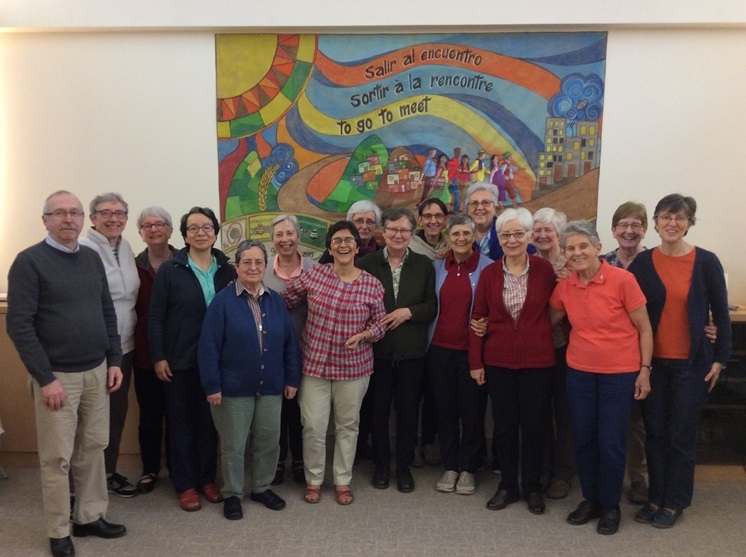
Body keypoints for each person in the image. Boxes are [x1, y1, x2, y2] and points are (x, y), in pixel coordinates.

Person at [7, 190, 126, 557]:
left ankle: (89, 516)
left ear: (83, 220)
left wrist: (115, 360)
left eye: (74, 212)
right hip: (57, 378)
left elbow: (107, 312)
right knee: (56, 458)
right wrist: (46, 378)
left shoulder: (91, 258)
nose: (69, 219)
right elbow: (19, 326)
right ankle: (59, 530)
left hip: (97, 371)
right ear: (45, 219)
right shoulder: (29, 262)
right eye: (59, 213)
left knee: (93, 449)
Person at [628, 194, 731, 529]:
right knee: (655, 434)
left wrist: (720, 359)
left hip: (692, 365)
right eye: (665, 216)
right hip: (654, 365)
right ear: (655, 222)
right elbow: (635, 314)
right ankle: (656, 497)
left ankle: (675, 501)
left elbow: (722, 314)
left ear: (689, 223)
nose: (672, 223)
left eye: (680, 218)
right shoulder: (643, 265)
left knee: (681, 436)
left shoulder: (706, 262)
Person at [549, 220, 653, 535]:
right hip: (579, 372)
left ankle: (610, 505)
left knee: (610, 441)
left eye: (583, 246)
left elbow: (645, 328)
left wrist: (645, 370)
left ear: (597, 248)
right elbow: (549, 319)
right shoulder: (566, 285)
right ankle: (591, 499)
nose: (577, 252)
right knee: (584, 438)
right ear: (564, 255)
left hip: (619, 375)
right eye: (570, 248)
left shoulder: (623, 280)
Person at [282, 221, 387, 505]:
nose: (343, 245)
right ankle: (314, 480)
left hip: (354, 369)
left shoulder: (371, 284)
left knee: (347, 426)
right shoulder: (315, 275)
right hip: (314, 366)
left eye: (349, 240)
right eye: (337, 240)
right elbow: (285, 300)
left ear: (356, 246)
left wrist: (365, 335)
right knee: (314, 426)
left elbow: (380, 325)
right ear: (329, 247)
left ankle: (343, 480)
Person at [199, 240, 301, 520]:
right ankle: (233, 494)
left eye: (258, 262)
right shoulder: (222, 302)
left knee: (269, 441)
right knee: (234, 445)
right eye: (247, 262)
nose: (253, 267)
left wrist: (292, 378)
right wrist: (212, 385)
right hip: (232, 390)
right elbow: (208, 347)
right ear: (237, 266)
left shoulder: (275, 300)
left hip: (271, 387)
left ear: (265, 266)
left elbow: (290, 343)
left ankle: (261, 487)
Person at [148, 206, 237, 512]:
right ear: (184, 235)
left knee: (210, 425)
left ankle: (207, 480)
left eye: (207, 227)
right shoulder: (171, 270)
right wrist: (159, 356)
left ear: (216, 231)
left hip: (218, 362)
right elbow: (156, 316)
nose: (201, 233)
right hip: (180, 361)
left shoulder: (227, 269)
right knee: (182, 424)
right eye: (193, 228)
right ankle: (185, 484)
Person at [469, 208, 557, 515]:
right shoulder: (489, 274)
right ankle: (508, 484)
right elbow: (478, 317)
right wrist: (476, 362)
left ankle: (532, 486)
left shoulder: (546, 270)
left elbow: (561, 306)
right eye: (505, 234)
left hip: (538, 361)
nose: (512, 240)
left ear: (530, 237)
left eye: (519, 233)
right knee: (505, 428)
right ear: (499, 238)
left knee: (534, 427)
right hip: (499, 362)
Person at [359, 207, 438, 494]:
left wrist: (408, 312)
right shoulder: (367, 264)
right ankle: (381, 466)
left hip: (412, 355)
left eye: (404, 230)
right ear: (383, 231)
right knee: (378, 413)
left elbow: (431, 305)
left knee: (407, 414)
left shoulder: (423, 265)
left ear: (412, 233)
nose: (398, 235)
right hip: (376, 354)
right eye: (392, 229)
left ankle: (403, 467)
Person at [80, 193, 140, 498]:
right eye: (106, 213)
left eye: (120, 213)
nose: (114, 218)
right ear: (92, 218)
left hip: (124, 346)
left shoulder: (125, 246)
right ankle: (82, 484)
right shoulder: (82, 249)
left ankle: (107, 472)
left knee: (116, 413)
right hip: (95, 348)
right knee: (90, 419)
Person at [429, 214, 492, 495]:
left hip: (473, 353)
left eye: (466, 233)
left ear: (474, 236)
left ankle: (468, 468)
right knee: (445, 411)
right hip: (439, 350)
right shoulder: (437, 266)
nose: (461, 239)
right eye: (455, 234)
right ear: (448, 237)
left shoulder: (489, 268)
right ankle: (450, 465)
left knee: (472, 412)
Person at [263, 214, 317, 485]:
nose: (285, 239)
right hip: (271, 356)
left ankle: (299, 460)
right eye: (279, 235)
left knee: (301, 411)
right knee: (276, 411)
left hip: (307, 354)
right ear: (272, 241)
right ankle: (276, 461)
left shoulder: (315, 269)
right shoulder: (260, 272)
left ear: (299, 237)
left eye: (289, 234)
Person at [602, 201, 650, 504]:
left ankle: (637, 478)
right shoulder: (601, 262)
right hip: (610, 354)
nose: (629, 231)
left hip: (648, 350)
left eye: (636, 225)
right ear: (613, 229)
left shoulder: (655, 263)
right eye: (623, 225)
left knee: (636, 422)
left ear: (645, 230)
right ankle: (605, 475)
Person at [132, 206, 177, 493]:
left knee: (177, 415)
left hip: (179, 352)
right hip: (145, 352)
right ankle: (149, 469)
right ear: (140, 233)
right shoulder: (132, 265)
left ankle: (177, 468)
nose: (154, 229)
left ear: (170, 231)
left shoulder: (184, 262)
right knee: (149, 416)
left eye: (160, 224)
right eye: (147, 225)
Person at [531, 208, 575, 500]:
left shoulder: (571, 264)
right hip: (534, 349)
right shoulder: (529, 263)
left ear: (559, 233)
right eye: (538, 230)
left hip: (566, 349)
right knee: (539, 413)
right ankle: (541, 468)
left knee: (565, 413)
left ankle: (562, 473)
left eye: (549, 230)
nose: (543, 235)